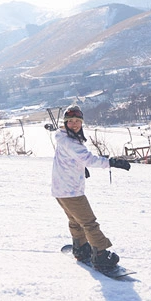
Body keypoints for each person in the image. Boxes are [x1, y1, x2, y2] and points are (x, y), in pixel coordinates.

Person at [52, 105, 131, 271]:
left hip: (61, 190)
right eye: (70, 121)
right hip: (71, 191)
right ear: (65, 123)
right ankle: (101, 255)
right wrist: (111, 162)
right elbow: (89, 159)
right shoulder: (71, 141)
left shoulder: (63, 137)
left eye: (77, 121)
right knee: (89, 222)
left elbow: (69, 159)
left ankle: (80, 248)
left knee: (76, 220)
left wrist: (79, 167)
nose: (74, 124)